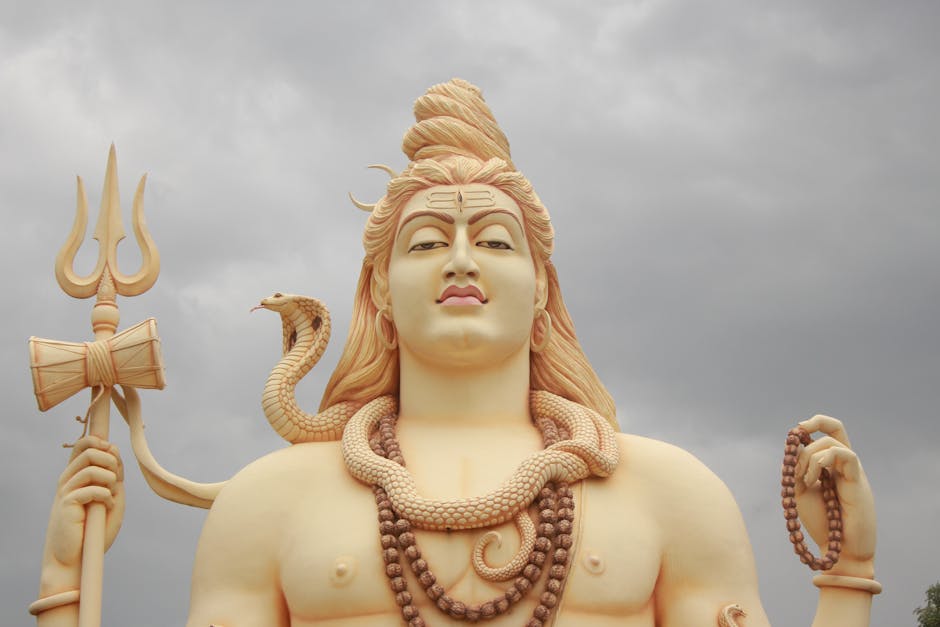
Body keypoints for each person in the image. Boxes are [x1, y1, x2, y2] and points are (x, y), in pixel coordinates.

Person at [33, 79, 878, 626]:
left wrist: (847, 573)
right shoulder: (268, 504)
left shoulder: (668, 492)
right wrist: (66, 587)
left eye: (498, 242)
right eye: (429, 240)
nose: (464, 258)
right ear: (379, 291)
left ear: (544, 287)